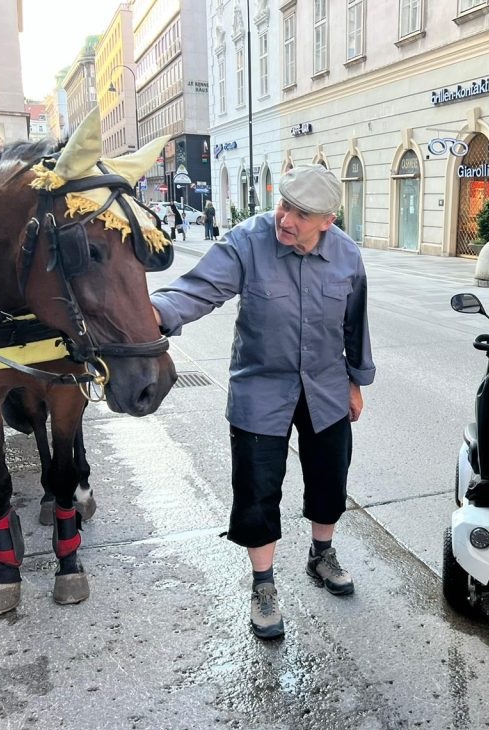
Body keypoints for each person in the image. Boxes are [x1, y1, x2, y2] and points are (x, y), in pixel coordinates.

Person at [150, 165, 375, 640]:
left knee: (330, 480)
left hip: (326, 388)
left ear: (327, 221)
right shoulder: (248, 241)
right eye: (284, 203)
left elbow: (355, 327)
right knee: (256, 492)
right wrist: (153, 313)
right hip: (260, 389)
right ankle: (263, 585)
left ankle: (321, 555)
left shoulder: (348, 257)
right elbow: (200, 289)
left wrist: (356, 382)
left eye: (300, 213)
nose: (285, 218)